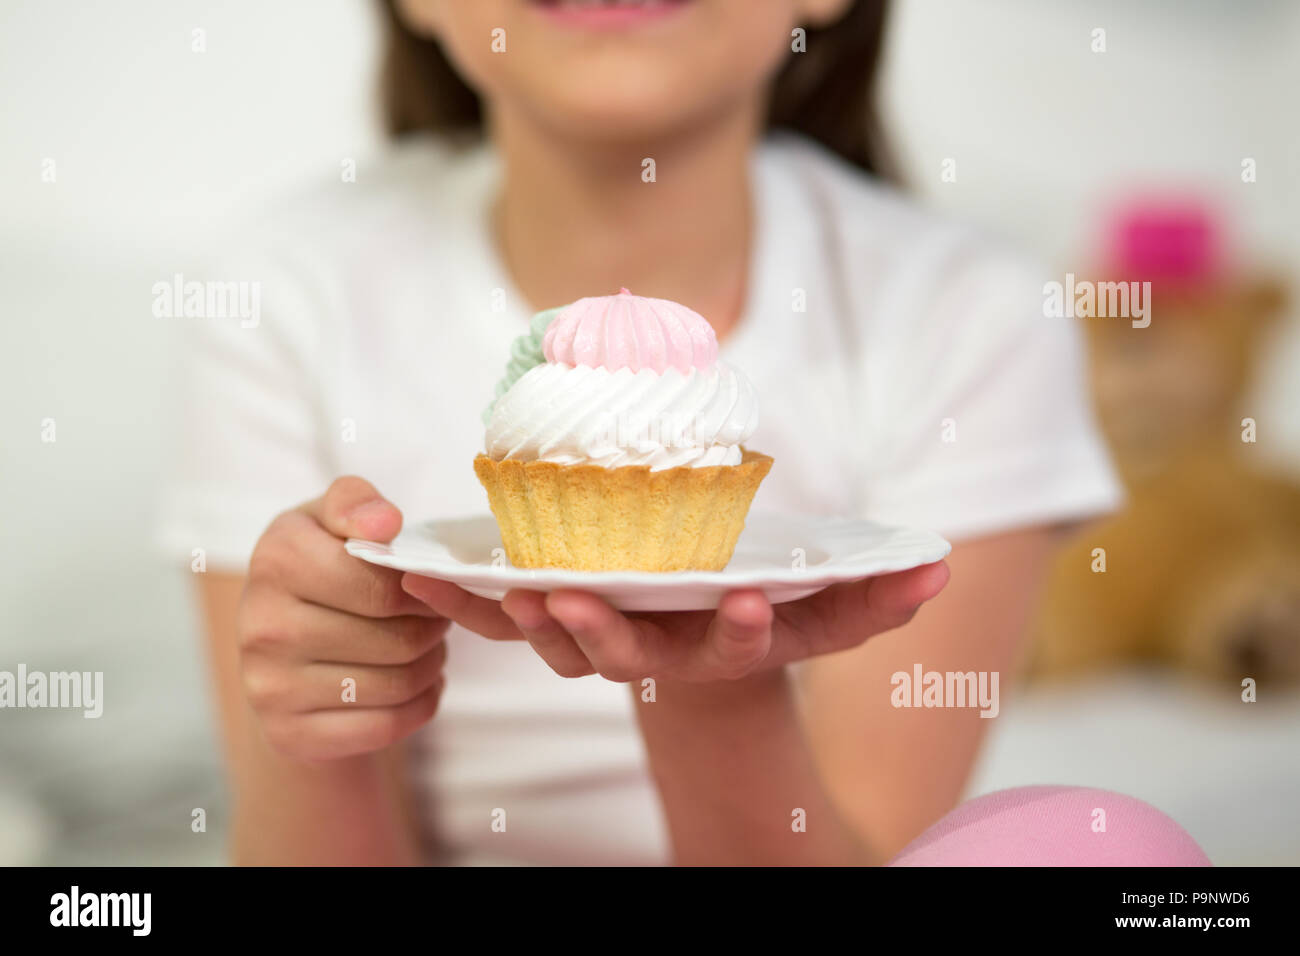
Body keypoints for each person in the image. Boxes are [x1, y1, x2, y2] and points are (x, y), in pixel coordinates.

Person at [162, 0, 1201, 865]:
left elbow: (872, 850)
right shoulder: (285, 293)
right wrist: (317, 728)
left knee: (1121, 854)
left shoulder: (969, 314)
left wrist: (707, 669)